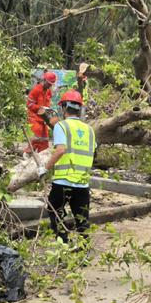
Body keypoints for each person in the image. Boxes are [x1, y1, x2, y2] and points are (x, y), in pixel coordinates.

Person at [37, 90, 97, 242]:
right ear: (79, 108)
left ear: (63, 108)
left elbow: (61, 150)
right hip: (83, 183)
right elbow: (93, 153)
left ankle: (63, 243)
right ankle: (83, 252)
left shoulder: (61, 126)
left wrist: (45, 168)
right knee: (82, 220)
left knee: (54, 210)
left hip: (64, 182)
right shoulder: (89, 129)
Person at [26, 72, 57, 153]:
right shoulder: (36, 90)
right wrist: (40, 108)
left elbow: (47, 104)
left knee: (44, 142)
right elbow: (29, 105)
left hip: (44, 119)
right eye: (49, 83)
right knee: (35, 140)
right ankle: (28, 155)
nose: (50, 85)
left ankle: (42, 157)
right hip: (34, 118)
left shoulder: (48, 92)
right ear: (44, 80)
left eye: (51, 84)